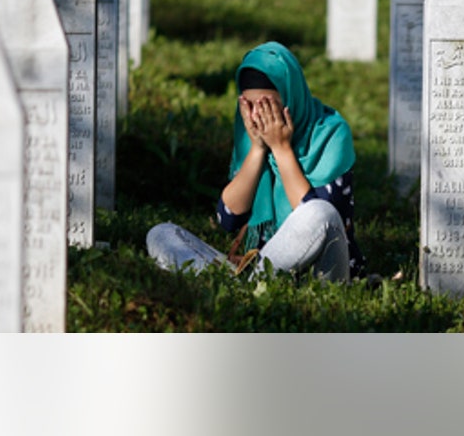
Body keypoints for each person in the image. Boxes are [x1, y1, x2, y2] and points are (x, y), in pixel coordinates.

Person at [146, 41, 365, 281]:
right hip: (265, 267)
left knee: (319, 212)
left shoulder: (332, 133)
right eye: (250, 106)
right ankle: (249, 283)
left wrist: (281, 149)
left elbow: (319, 225)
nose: (259, 118)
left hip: (321, 273)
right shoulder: (249, 133)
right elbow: (228, 218)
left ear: (291, 99)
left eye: (269, 107)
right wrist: (258, 149)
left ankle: (244, 285)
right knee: (162, 233)